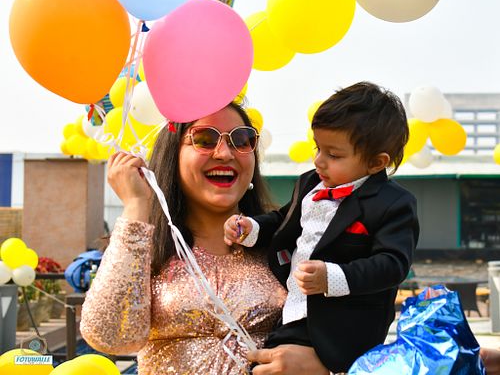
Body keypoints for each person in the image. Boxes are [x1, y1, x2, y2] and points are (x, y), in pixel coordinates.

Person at [80, 102, 330, 374]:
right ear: (172, 155)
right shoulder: (145, 244)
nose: (224, 153)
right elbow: (109, 336)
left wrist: (322, 362)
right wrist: (136, 206)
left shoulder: (288, 242)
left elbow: (349, 320)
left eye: (241, 140)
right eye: (204, 140)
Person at [224, 82, 420, 373]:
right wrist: (251, 228)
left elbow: (392, 264)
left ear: (376, 163)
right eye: (318, 148)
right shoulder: (309, 183)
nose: (318, 161)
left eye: (334, 155)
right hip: (292, 312)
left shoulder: (393, 203)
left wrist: (333, 277)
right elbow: (283, 220)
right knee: (261, 364)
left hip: (344, 328)